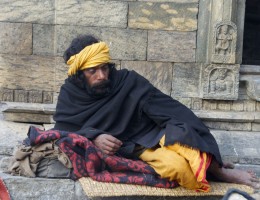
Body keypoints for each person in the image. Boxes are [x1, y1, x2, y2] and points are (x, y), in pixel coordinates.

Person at [53, 35, 259, 192]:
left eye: (105, 68)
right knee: (179, 168)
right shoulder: (70, 96)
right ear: (79, 74)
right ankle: (206, 171)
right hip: (129, 149)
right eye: (93, 71)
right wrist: (94, 137)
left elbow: (169, 107)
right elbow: (62, 133)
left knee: (186, 137)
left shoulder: (126, 81)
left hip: (148, 133)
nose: (102, 75)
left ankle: (218, 171)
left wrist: (210, 150)